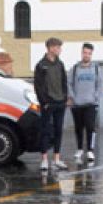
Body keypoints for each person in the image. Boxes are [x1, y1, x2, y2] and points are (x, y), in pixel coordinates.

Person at [33, 37, 68, 172]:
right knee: (46, 131)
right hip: (48, 103)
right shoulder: (41, 65)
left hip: (60, 102)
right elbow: (38, 86)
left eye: (60, 47)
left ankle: (57, 159)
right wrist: (44, 102)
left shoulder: (60, 64)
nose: (60, 50)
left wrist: (65, 98)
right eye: (58, 47)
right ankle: (44, 159)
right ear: (51, 48)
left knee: (59, 130)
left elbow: (64, 82)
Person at [69, 42, 103, 166]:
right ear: (81, 53)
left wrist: (96, 98)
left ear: (91, 54)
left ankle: (90, 150)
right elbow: (69, 84)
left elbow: (99, 85)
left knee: (90, 127)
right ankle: (79, 149)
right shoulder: (75, 69)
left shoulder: (96, 69)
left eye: (89, 53)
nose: (86, 55)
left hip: (91, 104)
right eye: (85, 52)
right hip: (77, 104)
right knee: (78, 128)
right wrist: (72, 97)